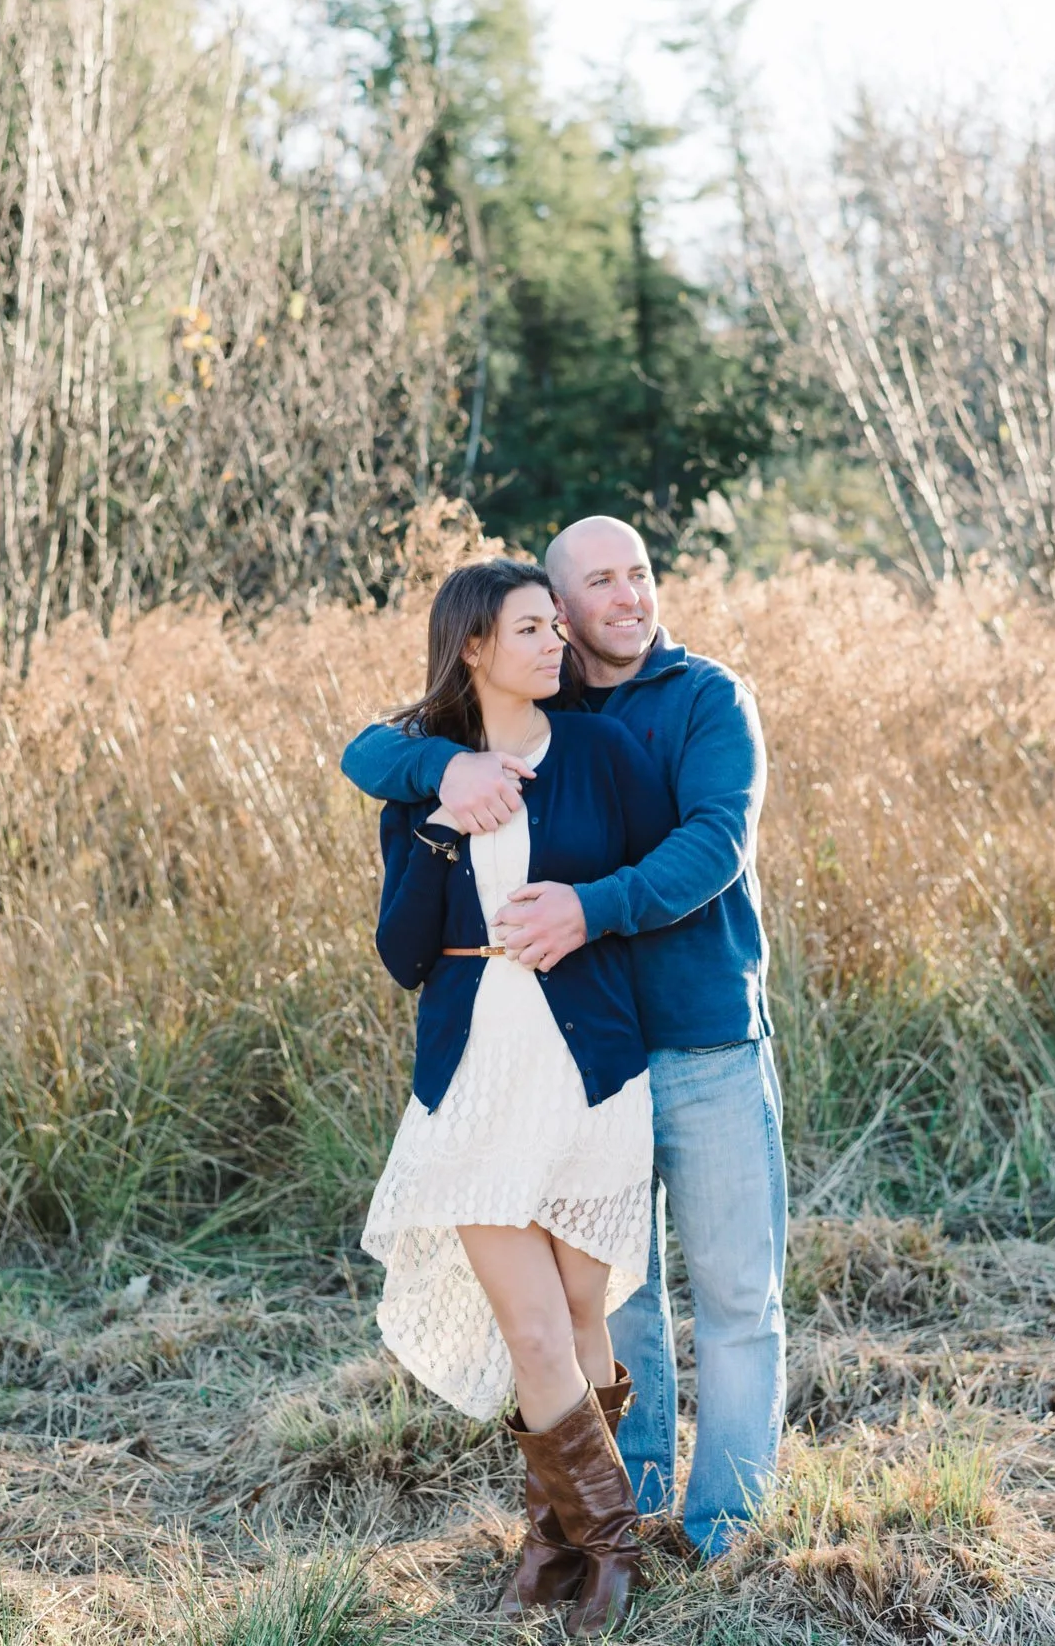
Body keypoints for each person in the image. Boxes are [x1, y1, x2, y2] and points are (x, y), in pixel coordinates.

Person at [343, 516, 785, 1564]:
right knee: (620, 1307)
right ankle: (612, 1526)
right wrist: (441, 777)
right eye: (601, 582)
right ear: (558, 608)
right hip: (590, 1061)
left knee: (733, 1293)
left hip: (710, 1034)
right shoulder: (550, 699)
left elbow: (713, 844)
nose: (630, 596)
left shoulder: (708, 699)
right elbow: (372, 745)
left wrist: (591, 908)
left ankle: (724, 1531)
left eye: (642, 573)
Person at [363, 557, 671, 1632]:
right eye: (532, 631)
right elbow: (403, 953)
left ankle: (550, 1549)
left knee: (584, 1315)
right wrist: (444, 823)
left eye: (557, 627)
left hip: (591, 1070)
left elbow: (652, 883)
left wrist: (588, 907)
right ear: (476, 649)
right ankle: (619, 1551)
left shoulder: (603, 751)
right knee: (537, 1337)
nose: (557, 645)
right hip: (480, 1077)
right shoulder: (428, 782)